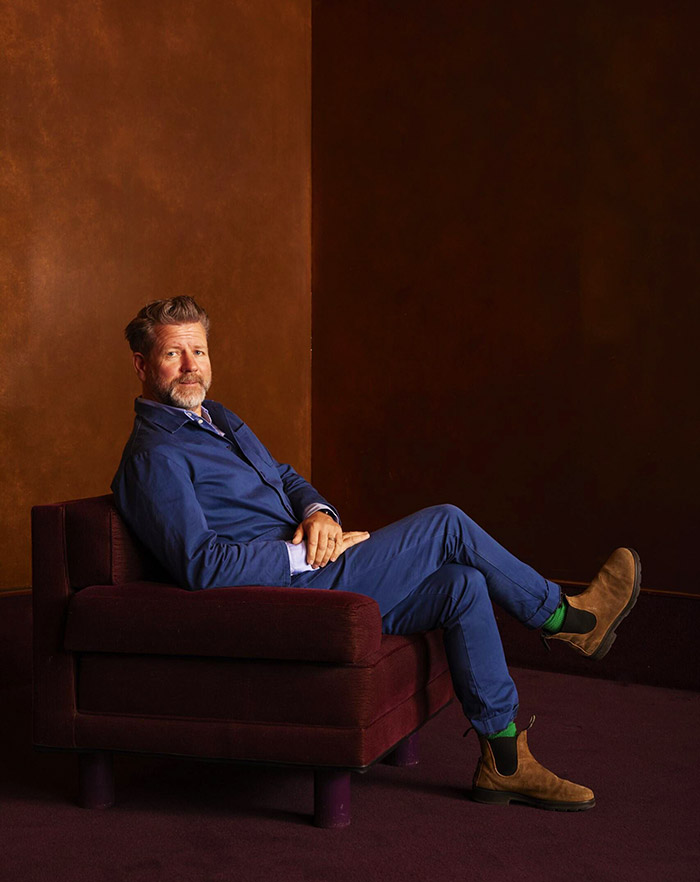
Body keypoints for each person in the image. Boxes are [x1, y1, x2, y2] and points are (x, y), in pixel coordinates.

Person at [112, 296, 641, 812]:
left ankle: (504, 762)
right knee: (447, 523)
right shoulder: (153, 456)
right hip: (288, 593)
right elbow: (203, 565)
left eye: (198, 352)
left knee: (462, 584)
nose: (190, 367)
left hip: (320, 569)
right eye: (173, 354)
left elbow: (287, 478)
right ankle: (566, 618)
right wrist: (307, 557)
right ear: (141, 365)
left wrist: (321, 514)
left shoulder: (219, 418)